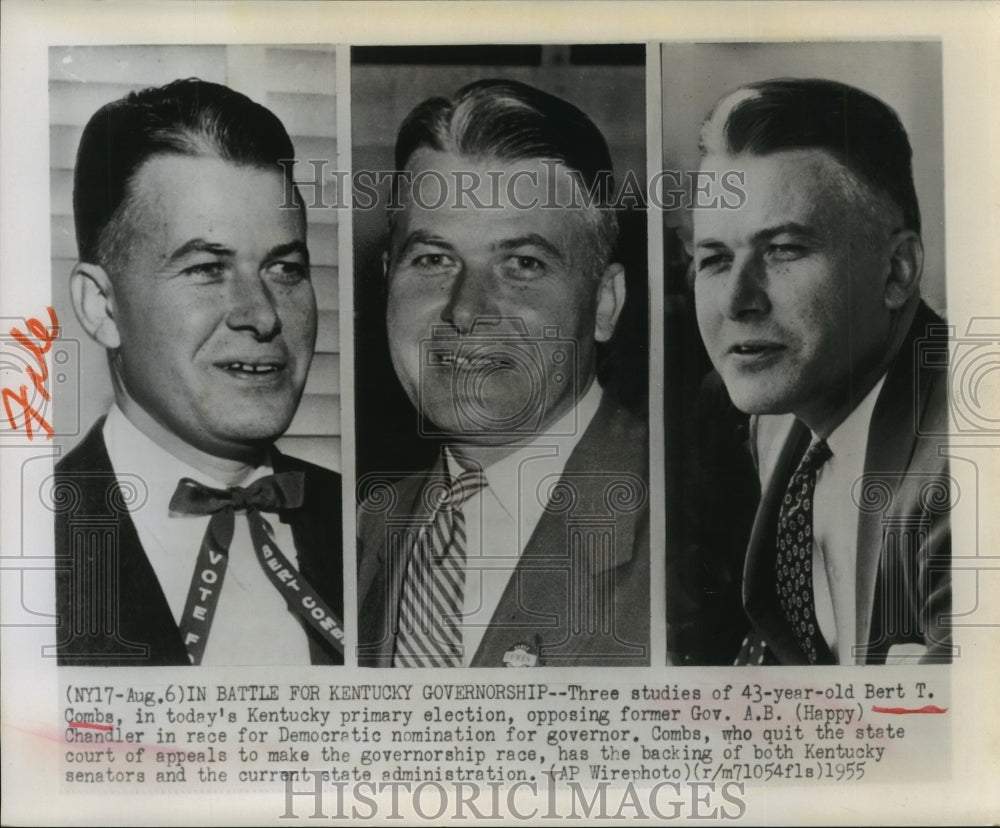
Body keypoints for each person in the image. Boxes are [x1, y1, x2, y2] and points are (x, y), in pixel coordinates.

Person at [357, 79, 649, 667]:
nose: (465, 310)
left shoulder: (689, 528)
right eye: (434, 259)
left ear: (606, 302)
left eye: (522, 264)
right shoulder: (356, 530)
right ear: (388, 277)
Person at [53, 78, 343, 666]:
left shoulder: (372, 530)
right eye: (207, 269)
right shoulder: (28, 543)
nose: (262, 316)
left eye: (285, 269)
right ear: (101, 308)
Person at [691, 78, 951, 665]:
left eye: (783, 250)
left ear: (897, 271)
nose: (737, 300)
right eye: (714, 259)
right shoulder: (774, 420)